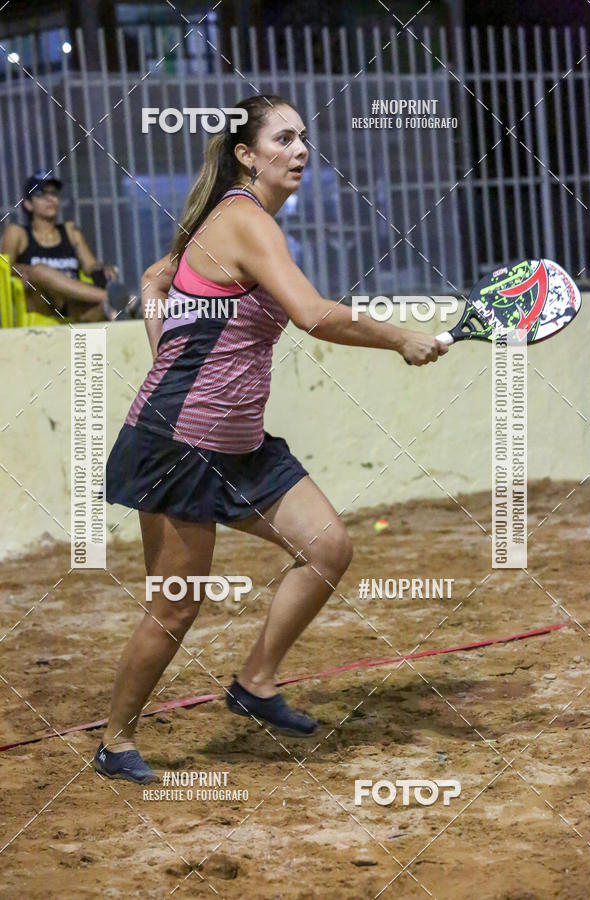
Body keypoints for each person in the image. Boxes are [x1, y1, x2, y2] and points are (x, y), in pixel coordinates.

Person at [94, 94, 448, 784]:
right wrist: (400, 337)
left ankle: (254, 684)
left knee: (327, 547)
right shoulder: (243, 218)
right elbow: (313, 315)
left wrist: (163, 329)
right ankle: (114, 740)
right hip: (177, 446)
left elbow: (157, 281)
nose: (300, 150)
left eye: (304, 138)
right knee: (176, 603)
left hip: (240, 446)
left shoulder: (226, 219)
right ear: (246, 156)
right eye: (283, 138)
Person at [0, 170, 134, 323]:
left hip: (74, 302)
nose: (50, 198)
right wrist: (24, 270)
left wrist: (102, 268)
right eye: (41, 194)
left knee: (100, 307)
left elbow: (89, 266)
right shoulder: (18, 233)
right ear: (28, 204)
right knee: (39, 270)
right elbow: (4, 268)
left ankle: (117, 307)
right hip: (42, 302)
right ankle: (119, 300)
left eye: (54, 193)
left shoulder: (70, 231)